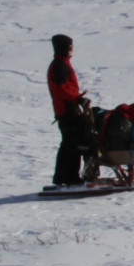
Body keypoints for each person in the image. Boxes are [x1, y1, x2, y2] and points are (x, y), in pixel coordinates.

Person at [46, 34, 90, 187]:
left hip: (65, 109)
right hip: (67, 110)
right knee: (72, 144)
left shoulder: (61, 64)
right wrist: (77, 98)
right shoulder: (60, 65)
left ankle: (61, 177)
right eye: (70, 47)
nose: (72, 50)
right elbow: (62, 89)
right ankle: (70, 177)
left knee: (67, 144)